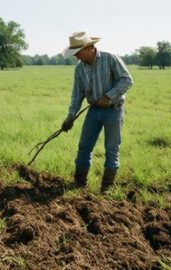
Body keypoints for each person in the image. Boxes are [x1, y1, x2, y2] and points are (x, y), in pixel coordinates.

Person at [60, 32, 133, 193]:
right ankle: (79, 184)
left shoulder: (110, 58)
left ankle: (106, 187)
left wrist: (109, 96)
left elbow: (127, 80)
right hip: (93, 111)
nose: (76, 56)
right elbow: (77, 94)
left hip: (114, 110)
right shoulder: (79, 68)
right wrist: (70, 116)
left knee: (111, 148)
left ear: (89, 48)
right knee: (84, 146)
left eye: (78, 52)